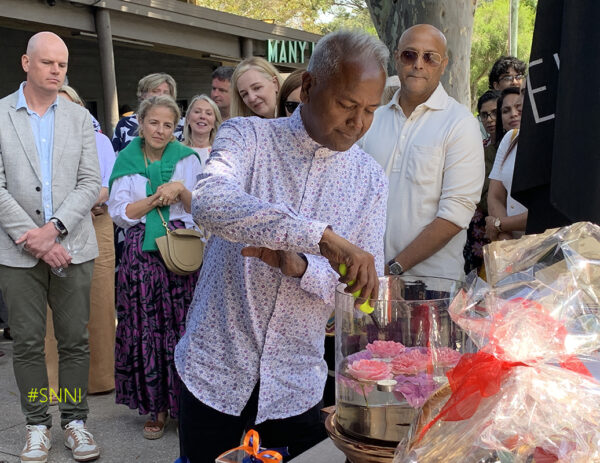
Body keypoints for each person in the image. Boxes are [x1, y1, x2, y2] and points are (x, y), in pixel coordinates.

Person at [175, 30, 389, 462]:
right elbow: (211, 203)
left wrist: (302, 267)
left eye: (370, 110)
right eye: (348, 104)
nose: (358, 122)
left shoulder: (369, 180)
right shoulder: (248, 137)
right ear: (308, 86)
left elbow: (362, 294)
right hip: (214, 373)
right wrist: (320, 238)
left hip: (296, 388)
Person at [0, 31, 101, 462]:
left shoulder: (79, 118)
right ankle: (37, 425)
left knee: (74, 341)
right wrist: (37, 240)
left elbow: (90, 182)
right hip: (17, 250)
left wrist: (55, 228)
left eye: (62, 64)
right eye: (48, 63)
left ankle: (75, 422)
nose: (57, 70)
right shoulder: (1, 114)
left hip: (73, 245)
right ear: (26, 63)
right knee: (26, 342)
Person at [107, 95, 202, 440]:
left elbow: (198, 208)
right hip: (140, 260)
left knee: (183, 329)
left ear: (175, 127)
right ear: (141, 124)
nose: (160, 130)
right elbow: (120, 213)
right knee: (146, 330)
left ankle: (188, 406)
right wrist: (156, 199)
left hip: (180, 255)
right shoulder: (126, 158)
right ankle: (157, 408)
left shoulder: (188, 159)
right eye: (153, 123)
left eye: (167, 124)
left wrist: (178, 194)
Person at [359, 24, 484, 282]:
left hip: (432, 286)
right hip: (368, 280)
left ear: (444, 64)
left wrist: (393, 268)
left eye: (430, 57)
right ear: (396, 58)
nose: (418, 64)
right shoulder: (372, 120)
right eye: (409, 55)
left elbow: (456, 213)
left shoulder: (460, 124)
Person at [44, 85, 116, 396]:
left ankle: (100, 379)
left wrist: (74, 206)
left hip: (95, 224)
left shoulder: (99, 141)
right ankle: (54, 383)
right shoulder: (38, 143)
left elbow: (107, 186)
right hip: (50, 230)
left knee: (99, 301)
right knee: (52, 306)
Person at [463, 89, 500, 274]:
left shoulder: (516, 147)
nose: (490, 119)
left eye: (494, 113)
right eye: (484, 115)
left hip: (506, 226)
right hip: (479, 229)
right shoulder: (477, 149)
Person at [486, 91, 526, 241]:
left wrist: (499, 224)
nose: (514, 114)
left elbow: (545, 210)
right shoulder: (510, 139)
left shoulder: (553, 140)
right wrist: (505, 238)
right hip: (511, 245)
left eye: (519, 107)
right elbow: (495, 196)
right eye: (505, 111)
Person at [111, 72, 185, 154]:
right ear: (142, 95)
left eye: (165, 93)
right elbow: (114, 157)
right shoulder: (124, 123)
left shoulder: (183, 124)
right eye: (155, 91)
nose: (160, 95)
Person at [182, 94, 222, 167]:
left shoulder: (221, 153)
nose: (202, 116)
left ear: (214, 123)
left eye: (208, 113)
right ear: (187, 119)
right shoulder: (176, 150)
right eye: (197, 112)